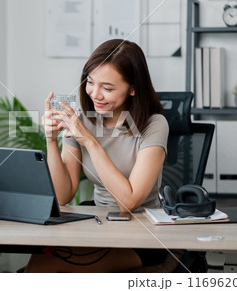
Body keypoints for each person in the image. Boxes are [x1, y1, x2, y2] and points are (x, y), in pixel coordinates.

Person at [24, 39, 169, 273]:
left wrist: (89, 142)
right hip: (98, 223)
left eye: (108, 88)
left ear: (133, 88)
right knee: (40, 260)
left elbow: (129, 202)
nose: (95, 94)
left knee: (47, 267)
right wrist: (51, 139)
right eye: (90, 82)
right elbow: (63, 195)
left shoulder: (155, 125)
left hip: (143, 233)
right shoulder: (82, 121)